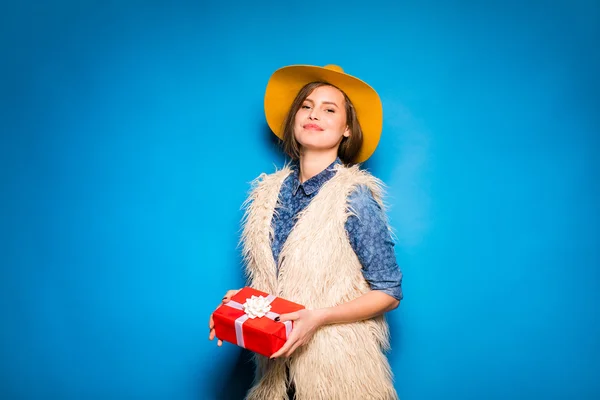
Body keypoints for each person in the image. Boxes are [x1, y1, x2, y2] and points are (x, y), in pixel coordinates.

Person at [209, 64, 403, 400]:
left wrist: (319, 317)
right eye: (306, 105)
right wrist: (242, 307)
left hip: (339, 373)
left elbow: (389, 292)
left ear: (346, 128)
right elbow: (281, 288)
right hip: (276, 374)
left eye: (329, 109)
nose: (314, 114)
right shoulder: (265, 195)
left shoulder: (354, 196)